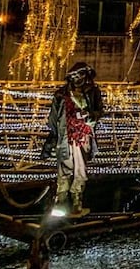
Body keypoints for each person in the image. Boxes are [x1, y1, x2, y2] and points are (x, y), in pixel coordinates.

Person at [41, 62, 104, 218]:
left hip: (83, 135)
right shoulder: (61, 94)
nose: (77, 78)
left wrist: (92, 117)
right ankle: (61, 201)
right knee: (64, 167)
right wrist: (53, 136)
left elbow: (99, 110)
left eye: (80, 75)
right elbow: (54, 118)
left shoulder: (93, 91)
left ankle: (77, 201)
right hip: (65, 134)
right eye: (74, 76)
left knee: (80, 169)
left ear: (85, 75)